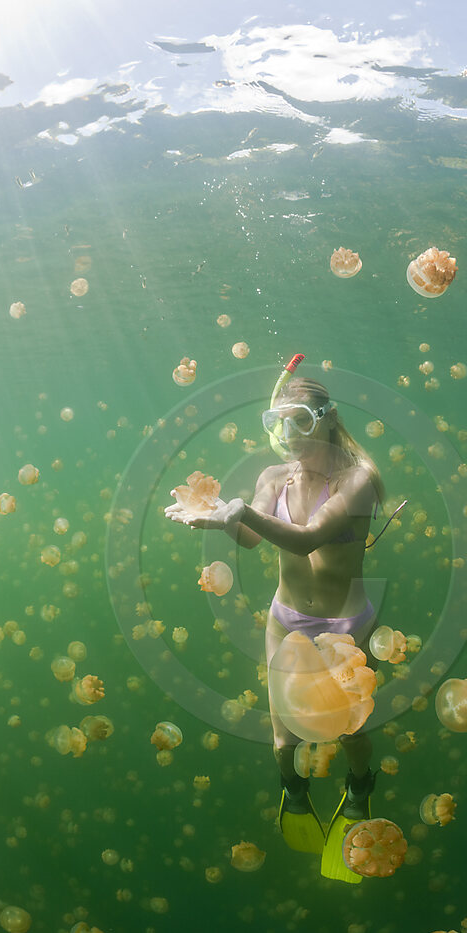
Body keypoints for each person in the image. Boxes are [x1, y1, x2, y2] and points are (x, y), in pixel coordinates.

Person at [165, 373, 392, 882]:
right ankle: (294, 789)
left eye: (300, 421)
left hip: (345, 624)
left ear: (328, 420)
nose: (290, 433)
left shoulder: (359, 478)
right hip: (286, 619)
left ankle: (359, 787)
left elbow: (308, 539)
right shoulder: (274, 477)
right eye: (279, 423)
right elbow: (249, 539)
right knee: (283, 738)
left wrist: (237, 511)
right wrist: (218, 517)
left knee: (351, 729)